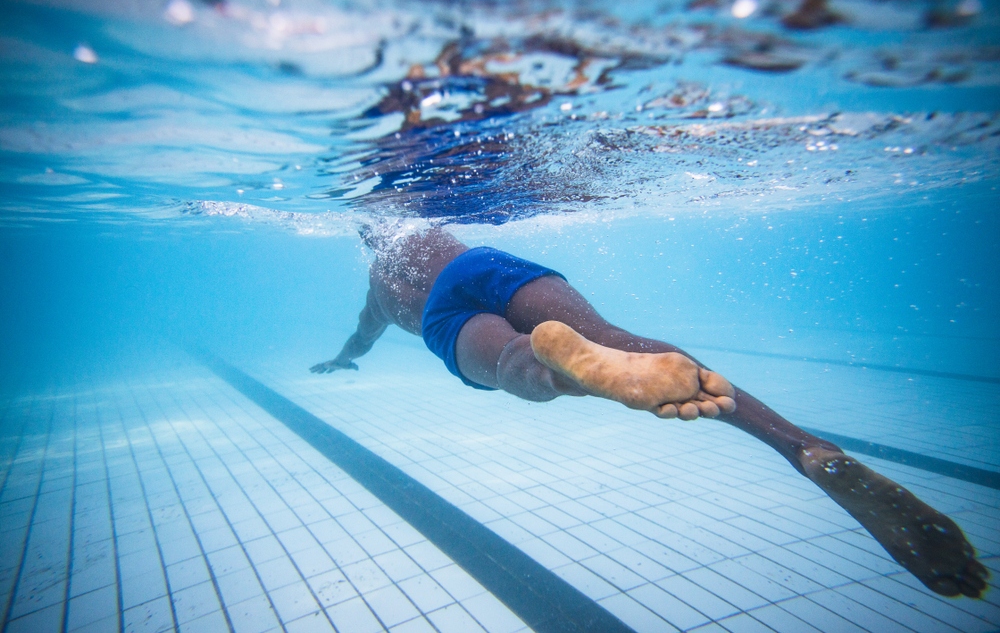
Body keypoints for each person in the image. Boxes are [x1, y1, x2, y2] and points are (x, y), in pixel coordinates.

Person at [312, 224, 988, 599]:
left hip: (443, 314)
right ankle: (802, 446)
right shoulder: (433, 231)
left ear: (368, 240)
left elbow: (363, 335)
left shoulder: (381, 288)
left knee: (516, 363)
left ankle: (558, 366)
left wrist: (345, 359)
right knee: (621, 341)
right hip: (487, 261)